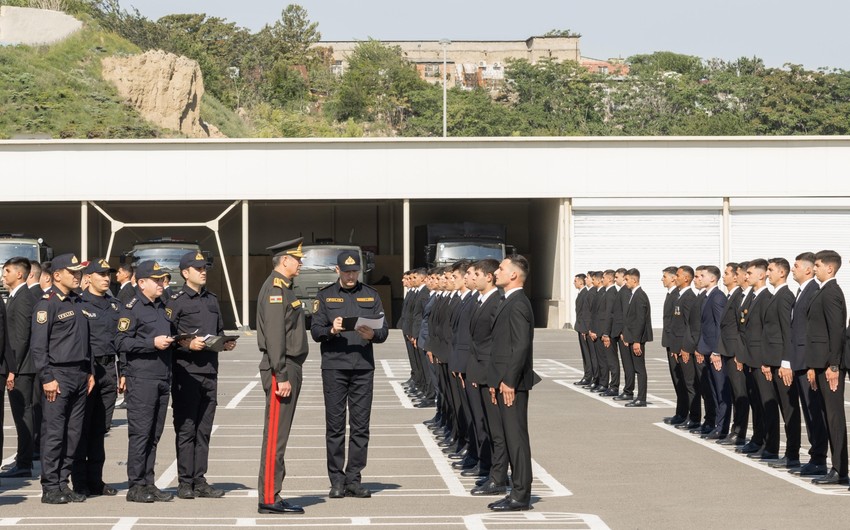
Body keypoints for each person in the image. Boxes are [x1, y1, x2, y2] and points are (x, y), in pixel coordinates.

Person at [310, 249, 388, 499]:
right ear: (338, 271)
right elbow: (315, 330)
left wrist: (373, 335)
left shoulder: (371, 295)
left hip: (363, 367)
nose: (351, 275)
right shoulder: (325, 296)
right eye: (346, 271)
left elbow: (384, 330)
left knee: (360, 426)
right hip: (334, 367)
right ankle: (336, 480)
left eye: (354, 271)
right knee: (334, 427)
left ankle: (354, 478)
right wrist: (331, 330)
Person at [168, 251, 234, 500]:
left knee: (204, 430)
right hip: (187, 373)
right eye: (198, 269)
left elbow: (218, 332)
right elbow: (169, 338)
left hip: (210, 371)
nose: (203, 272)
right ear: (185, 273)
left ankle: (200, 479)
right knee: (186, 430)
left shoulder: (212, 300)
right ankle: (185, 481)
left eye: (205, 268)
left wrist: (225, 343)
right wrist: (187, 345)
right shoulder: (176, 301)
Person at [30, 253, 93, 504]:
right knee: (55, 433)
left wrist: (89, 372)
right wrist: (47, 377)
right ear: (57, 275)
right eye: (73, 272)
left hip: (79, 374)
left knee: (73, 433)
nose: (78, 276)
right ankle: (50, 486)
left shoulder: (78, 302)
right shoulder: (47, 304)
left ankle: (63, 482)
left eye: (79, 272)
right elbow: (38, 346)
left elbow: (85, 343)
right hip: (58, 375)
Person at [114, 260, 176, 503]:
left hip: (162, 376)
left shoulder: (162, 306)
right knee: (140, 433)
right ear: (141, 282)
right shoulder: (131, 308)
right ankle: (136, 485)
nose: (162, 284)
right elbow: (120, 342)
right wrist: (151, 343)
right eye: (157, 280)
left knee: (154, 433)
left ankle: (149, 482)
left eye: (163, 279)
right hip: (142, 378)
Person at [256, 237, 309, 515]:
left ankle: (272, 492)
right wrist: (282, 374)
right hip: (282, 368)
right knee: (275, 436)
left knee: (279, 436)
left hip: (287, 366)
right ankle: (268, 496)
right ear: (284, 260)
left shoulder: (286, 288)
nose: (301, 263)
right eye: (297, 259)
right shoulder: (276, 289)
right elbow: (276, 337)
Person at [486, 255, 536, 512]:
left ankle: (520, 495)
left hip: (513, 382)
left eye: (502, 268)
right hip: (504, 380)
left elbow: (520, 346)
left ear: (514, 275)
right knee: (509, 436)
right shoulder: (509, 300)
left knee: (516, 439)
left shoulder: (518, 303)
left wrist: (509, 381)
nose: (497, 271)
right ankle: (516, 491)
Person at [71, 258, 120, 497]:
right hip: (87, 371)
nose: (105, 278)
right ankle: (79, 482)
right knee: (82, 428)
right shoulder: (79, 304)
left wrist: (125, 373)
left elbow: (122, 341)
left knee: (101, 429)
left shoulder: (115, 305)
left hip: (109, 370)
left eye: (107, 274)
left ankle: (96, 480)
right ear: (87, 277)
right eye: (100, 274)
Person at [781, 253, 828, 476]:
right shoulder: (801, 293)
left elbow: (813, 332)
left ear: (808, 270)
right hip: (799, 361)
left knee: (814, 412)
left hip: (807, 362)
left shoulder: (813, 293)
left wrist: (811, 364)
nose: (793, 269)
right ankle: (815, 456)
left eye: (796, 266)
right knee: (809, 413)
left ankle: (819, 459)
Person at [806, 250, 848, 485]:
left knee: (834, 418)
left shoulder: (832, 292)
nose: (815, 268)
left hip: (830, 367)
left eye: (818, 265)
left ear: (829, 269)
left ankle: (840, 470)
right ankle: (835, 467)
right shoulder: (821, 291)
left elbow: (836, 332)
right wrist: (813, 366)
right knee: (825, 415)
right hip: (820, 365)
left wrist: (834, 365)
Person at [761, 257, 799, 467]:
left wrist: (786, 362)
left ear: (781, 273)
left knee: (788, 410)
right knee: (774, 407)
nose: (767, 274)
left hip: (782, 363)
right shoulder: (774, 295)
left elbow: (787, 332)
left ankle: (792, 454)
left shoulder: (785, 296)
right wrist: (767, 361)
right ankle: (779, 450)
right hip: (772, 361)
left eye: (771, 270)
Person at [1, 257, 36, 479]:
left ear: (19, 274)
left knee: (23, 415)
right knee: (20, 414)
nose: (3, 276)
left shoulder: (23, 298)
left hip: (21, 367)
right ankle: (23, 459)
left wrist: (12, 368)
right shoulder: (16, 296)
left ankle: (24, 462)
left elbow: (21, 337)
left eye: (6, 272)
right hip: (18, 365)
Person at [716, 263, 748, 446]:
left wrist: (738, 353)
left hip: (735, 352)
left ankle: (739, 431)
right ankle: (736, 430)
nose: (724, 276)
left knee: (740, 394)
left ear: (736, 277)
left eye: (727, 273)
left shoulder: (738, 297)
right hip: (728, 351)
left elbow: (739, 328)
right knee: (736, 394)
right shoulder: (733, 296)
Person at [695, 265, 727, 439]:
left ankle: (722, 428)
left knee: (721, 391)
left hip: (715, 353)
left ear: (712, 279)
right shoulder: (707, 296)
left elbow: (719, 326)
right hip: (707, 350)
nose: (698, 278)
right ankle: (715, 424)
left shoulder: (717, 297)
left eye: (702, 276)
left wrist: (716, 351)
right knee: (713, 391)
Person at [622, 268, 652, 407]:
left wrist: (636, 341)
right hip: (631, 338)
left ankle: (642, 398)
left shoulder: (640, 295)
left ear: (634, 280)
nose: (625, 282)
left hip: (637, 340)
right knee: (635, 367)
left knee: (640, 369)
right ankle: (638, 397)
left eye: (627, 279)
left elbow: (640, 321)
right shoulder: (633, 294)